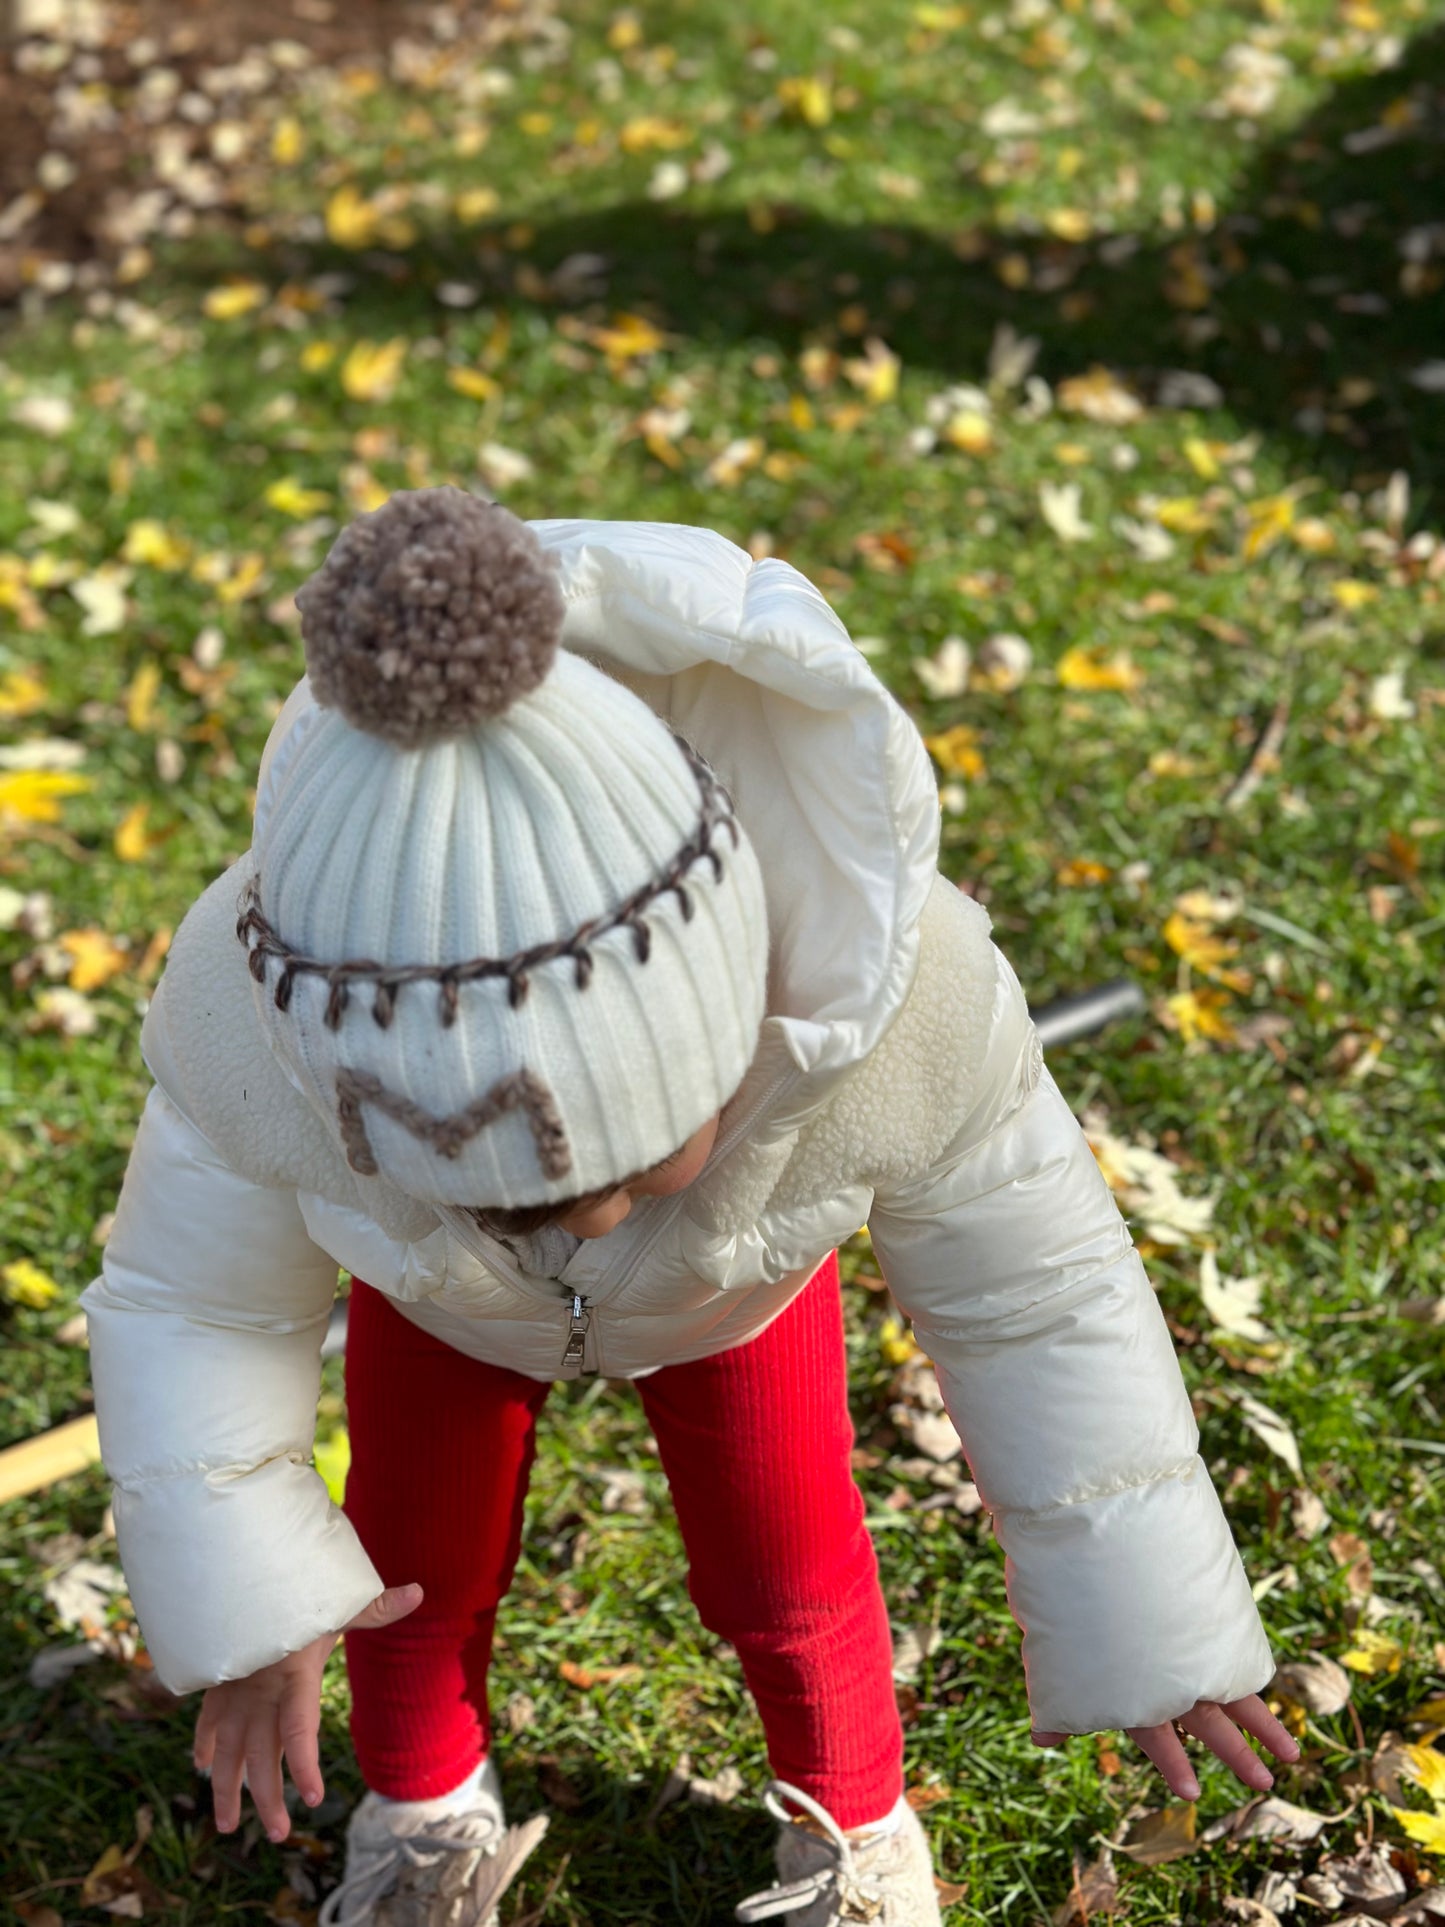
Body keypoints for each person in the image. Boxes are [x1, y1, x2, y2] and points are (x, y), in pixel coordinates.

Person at [83, 493, 1297, 1927]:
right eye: (515, 1190)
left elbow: (1038, 1299)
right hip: (439, 1310)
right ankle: (419, 1816)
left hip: (736, 1299)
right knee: (403, 1572)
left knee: (789, 1570)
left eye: (638, 1153)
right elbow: (196, 1304)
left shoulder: (899, 1009)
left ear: (733, 1022)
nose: (586, 1223)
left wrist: (1149, 1607)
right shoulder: (255, 1027)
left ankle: (853, 1829)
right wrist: (253, 1604)